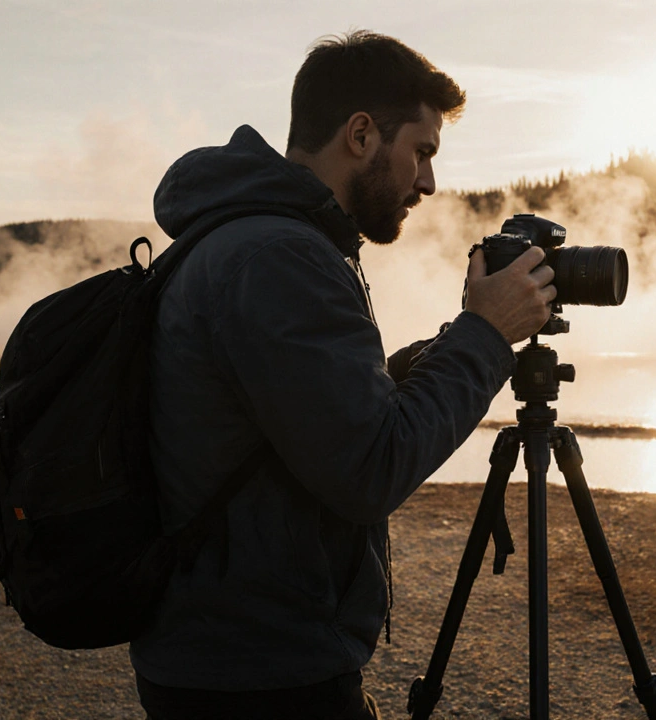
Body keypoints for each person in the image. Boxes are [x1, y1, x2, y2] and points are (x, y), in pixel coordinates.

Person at [129, 30, 556, 719]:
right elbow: (370, 467)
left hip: (227, 655)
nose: (429, 182)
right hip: (258, 677)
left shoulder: (255, 237)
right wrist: (485, 338)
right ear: (361, 134)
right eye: (421, 151)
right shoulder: (279, 257)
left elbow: (303, 417)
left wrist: (443, 351)